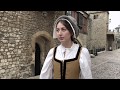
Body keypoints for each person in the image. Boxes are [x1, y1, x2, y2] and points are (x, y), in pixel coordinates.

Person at [39, 15, 92, 79]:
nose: (59, 33)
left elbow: (87, 76)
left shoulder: (82, 52)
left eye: (63, 29)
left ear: (72, 32)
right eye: (57, 30)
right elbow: (44, 76)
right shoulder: (52, 52)